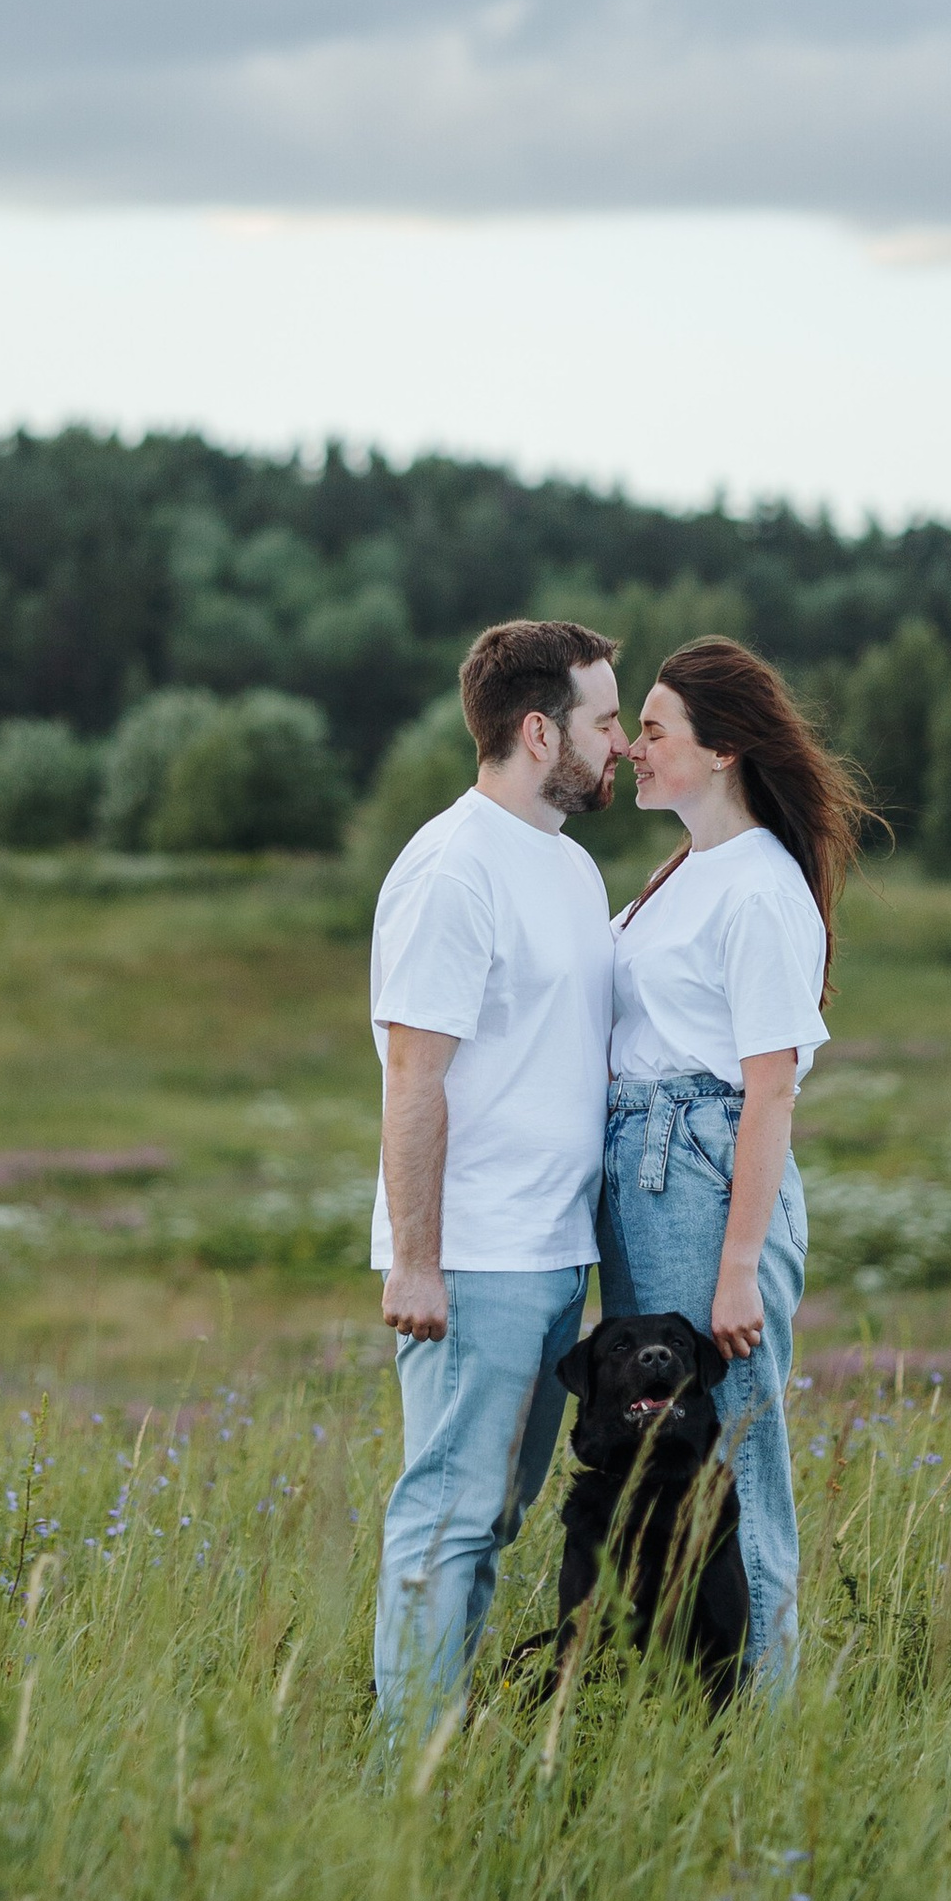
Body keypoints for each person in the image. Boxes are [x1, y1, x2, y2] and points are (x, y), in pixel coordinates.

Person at [369, 617, 629, 1725]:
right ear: (538, 732)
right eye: (604, 721)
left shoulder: (568, 865)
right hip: (474, 1258)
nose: (623, 743)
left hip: (553, 1250)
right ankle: (410, 1770)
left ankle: (444, 1728)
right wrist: (417, 1263)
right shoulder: (452, 868)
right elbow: (413, 1078)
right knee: (449, 1514)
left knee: (495, 1515)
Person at [600, 635, 871, 1690]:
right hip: (649, 1171)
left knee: (731, 1463)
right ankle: (690, 1700)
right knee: (667, 1461)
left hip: (702, 1181)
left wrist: (737, 1268)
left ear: (721, 750)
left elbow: (770, 1088)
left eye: (653, 729)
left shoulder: (757, 886)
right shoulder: (685, 870)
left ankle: (757, 1726)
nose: (632, 746)